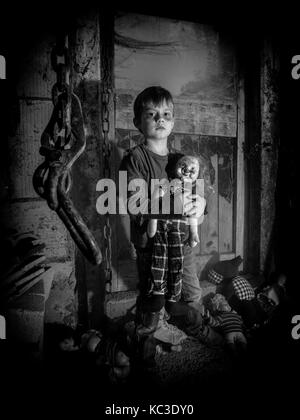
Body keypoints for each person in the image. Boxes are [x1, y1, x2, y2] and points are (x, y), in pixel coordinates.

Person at [119, 86, 216, 344]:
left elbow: (196, 197)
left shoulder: (180, 161)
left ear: (173, 121)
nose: (160, 119)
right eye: (151, 114)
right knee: (152, 296)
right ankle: (146, 338)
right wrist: (172, 203)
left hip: (182, 242)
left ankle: (200, 327)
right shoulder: (135, 159)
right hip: (151, 246)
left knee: (191, 290)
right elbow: (136, 203)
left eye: (166, 114)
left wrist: (200, 205)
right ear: (138, 122)